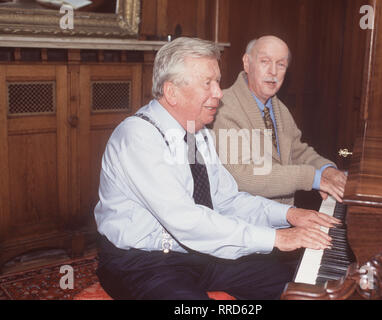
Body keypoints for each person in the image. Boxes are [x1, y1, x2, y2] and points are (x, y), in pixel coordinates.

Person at [94, 37, 339, 300]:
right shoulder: (138, 137)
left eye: (217, 82)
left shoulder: (197, 133)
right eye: (207, 83)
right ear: (171, 92)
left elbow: (227, 200)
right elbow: (187, 221)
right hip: (142, 263)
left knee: (290, 284)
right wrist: (277, 239)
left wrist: (289, 214)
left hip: (196, 252)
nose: (219, 93)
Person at [211, 35, 347, 206]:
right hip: (245, 222)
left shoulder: (279, 108)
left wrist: (326, 170)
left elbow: (297, 152)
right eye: (265, 61)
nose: (273, 72)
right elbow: (242, 175)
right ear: (247, 63)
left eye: (281, 64)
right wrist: (312, 177)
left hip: (281, 216)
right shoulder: (224, 108)